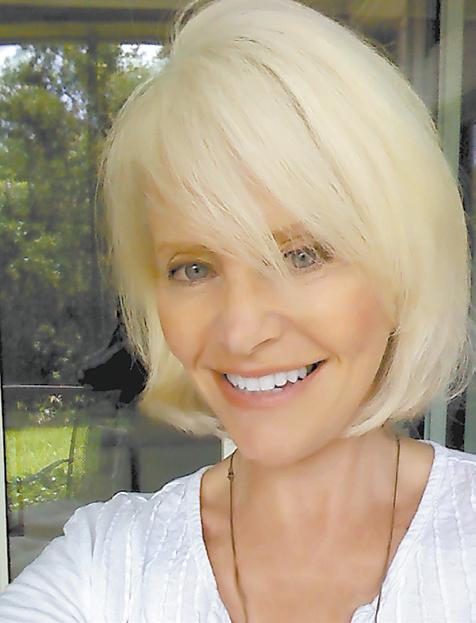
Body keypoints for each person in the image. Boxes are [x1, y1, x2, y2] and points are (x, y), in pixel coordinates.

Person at [1, 0, 476, 621]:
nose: (243, 331)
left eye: (301, 255)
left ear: (402, 265)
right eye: (193, 268)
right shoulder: (104, 570)